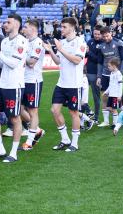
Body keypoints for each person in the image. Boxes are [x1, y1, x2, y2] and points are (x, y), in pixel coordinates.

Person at [0, 14, 28, 162]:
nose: (4, 24)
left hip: (14, 86)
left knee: (14, 118)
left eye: (8, 22)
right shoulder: (5, 41)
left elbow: (14, 64)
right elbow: (2, 65)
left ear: (17, 24)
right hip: (2, 84)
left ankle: (13, 153)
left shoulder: (21, 41)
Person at [46, 17, 86, 152]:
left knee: (73, 113)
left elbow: (77, 60)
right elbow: (58, 61)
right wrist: (51, 50)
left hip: (74, 84)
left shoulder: (80, 42)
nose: (61, 29)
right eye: (61, 26)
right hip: (61, 83)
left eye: (64, 27)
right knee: (54, 110)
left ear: (72, 28)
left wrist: (61, 49)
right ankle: (65, 139)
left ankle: (74, 143)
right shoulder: (62, 42)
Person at [20, 19, 46, 150]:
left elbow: (31, 62)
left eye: (25, 27)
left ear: (33, 29)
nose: (23, 29)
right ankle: (37, 130)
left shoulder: (38, 43)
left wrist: (18, 57)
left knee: (32, 111)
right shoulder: (25, 42)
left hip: (33, 81)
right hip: (22, 80)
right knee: (18, 109)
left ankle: (29, 142)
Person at [96, 27, 123, 127]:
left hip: (116, 75)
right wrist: (99, 76)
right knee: (104, 97)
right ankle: (106, 121)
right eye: (104, 36)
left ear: (111, 33)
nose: (106, 38)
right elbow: (100, 63)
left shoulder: (119, 43)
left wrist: (121, 73)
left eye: (107, 36)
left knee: (118, 99)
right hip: (105, 75)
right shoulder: (101, 46)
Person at [85, 27, 102, 123]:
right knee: (81, 93)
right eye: (95, 34)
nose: (97, 36)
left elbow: (98, 59)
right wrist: (84, 51)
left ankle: (96, 117)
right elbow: (85, 56)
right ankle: (87, 111)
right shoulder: (90, 42)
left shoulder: (103, 44)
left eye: (98, 34)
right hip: (87, 72)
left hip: (96, 73)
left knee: (96, 96)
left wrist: (89, 52)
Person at [104, 57, 123, 125]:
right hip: (111, 95)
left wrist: (119, 95)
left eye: (109, 66)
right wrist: (106, 92)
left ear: (114, 66)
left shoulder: (118, 74)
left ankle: (115, 124)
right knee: (108, 108)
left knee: (114, 109)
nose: (108, 67)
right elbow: (111, 85)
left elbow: (120, 85)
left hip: (116, 95)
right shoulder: (112, 73)